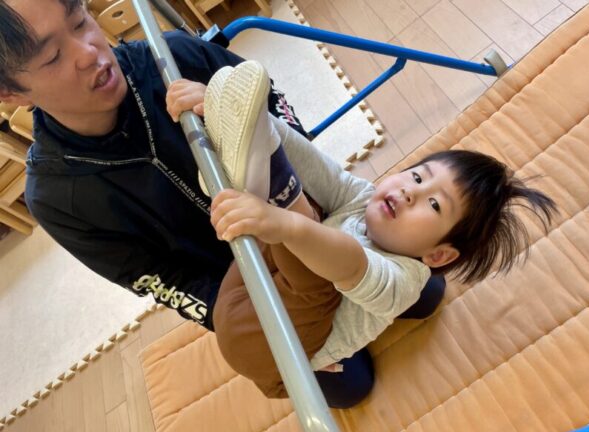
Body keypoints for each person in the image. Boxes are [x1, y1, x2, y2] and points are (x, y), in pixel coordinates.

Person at [0, 0, 444, 406]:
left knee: (426, 294)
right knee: (351, 386)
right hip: (257, 287)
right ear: (11, 93)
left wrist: (228, 113)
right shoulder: (56, 198)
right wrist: (266, 332)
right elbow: (170, 283)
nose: (89, 53)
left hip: (309, 224)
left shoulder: (173, 57)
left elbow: (276, 111)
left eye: (80, 21)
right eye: (52, 57)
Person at [173, 60, 557, 408]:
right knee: (316, 213)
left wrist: (285, 223)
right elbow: (313, 164)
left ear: (438, 255)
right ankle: (262, 174)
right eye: (417, 176)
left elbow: (353, 265)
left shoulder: (403, 280)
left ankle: (270, 190)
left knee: (354, 383)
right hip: (248, 286)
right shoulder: (365, 200)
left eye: (433, 204)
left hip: (267, 348)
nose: (409, 192)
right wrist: (254, 121)